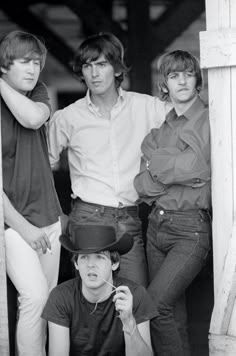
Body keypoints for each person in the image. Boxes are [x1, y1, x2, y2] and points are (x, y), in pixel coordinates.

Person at [47, 32, 171, 288]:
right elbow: (39, 168)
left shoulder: (147, 107)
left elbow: (191, 116)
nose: (93, 73)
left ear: (116, 68)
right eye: (87, 66)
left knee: (134, 299)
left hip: (128, 218)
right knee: (91, 302)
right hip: (86, 217)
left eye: (101, 64)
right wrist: (56, 215)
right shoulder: (67, 117)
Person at [134, 50, 212, 356]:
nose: (181, 80)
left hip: (190, 228)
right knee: (172, 315)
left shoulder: (207, 117)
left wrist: (158, 165)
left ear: (197, 80)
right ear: (164, 84)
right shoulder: (161, 129)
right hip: (157, 226)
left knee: (156, 304)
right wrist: (172, 169)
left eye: (188, 74)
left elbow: (198, 167)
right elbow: (142, 185)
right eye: (174, 75)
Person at [0, 30, 62, 356]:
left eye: (36, 62)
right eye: (24, 62)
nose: (33, 69)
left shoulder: (36, 92)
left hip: (49, 217)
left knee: (47, 303)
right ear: (4, 64)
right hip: (13, 222)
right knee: (34, 297)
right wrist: (24, 228)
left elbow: (31, 119)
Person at [42, 222, 157, 356]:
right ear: (76, 263)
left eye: (99, 257)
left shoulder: (134, 295)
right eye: (84, 257)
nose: (91, 265)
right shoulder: (60, 297)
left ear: (114, 263)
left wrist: (129, 322)